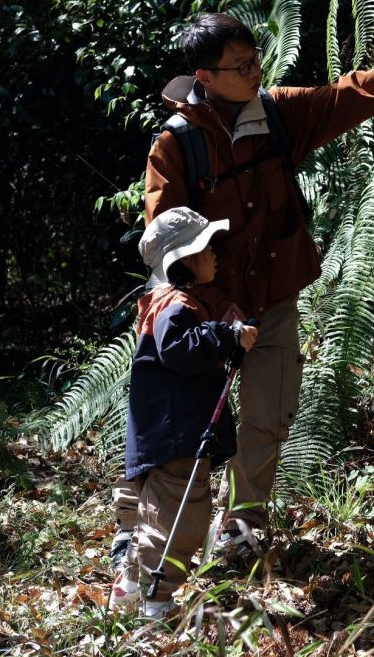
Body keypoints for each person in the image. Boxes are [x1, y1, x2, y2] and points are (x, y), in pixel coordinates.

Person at [113, 13, 374, 567]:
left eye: (255, 60)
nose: (253, 72)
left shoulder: (275, 113)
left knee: (269, 413)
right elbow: (167, 244)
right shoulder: (176, 147)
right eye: (239, 66)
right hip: (198, 308)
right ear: (205, 75)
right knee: (171, 425)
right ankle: (134, 531)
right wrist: (218, 316)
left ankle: (240, 530)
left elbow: (346, 95)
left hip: (272, 295)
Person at [108, 206, 259, 618]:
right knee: (181, 517)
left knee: (155, 512)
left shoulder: (162, 303)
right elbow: (180, 350)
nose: (216, 255)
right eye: (209, 247)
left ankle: (132, 585)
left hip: (160, 430)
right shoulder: (177, 306)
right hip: (176, 433)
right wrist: (226, 335)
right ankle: (157, 602)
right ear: (187, 259)